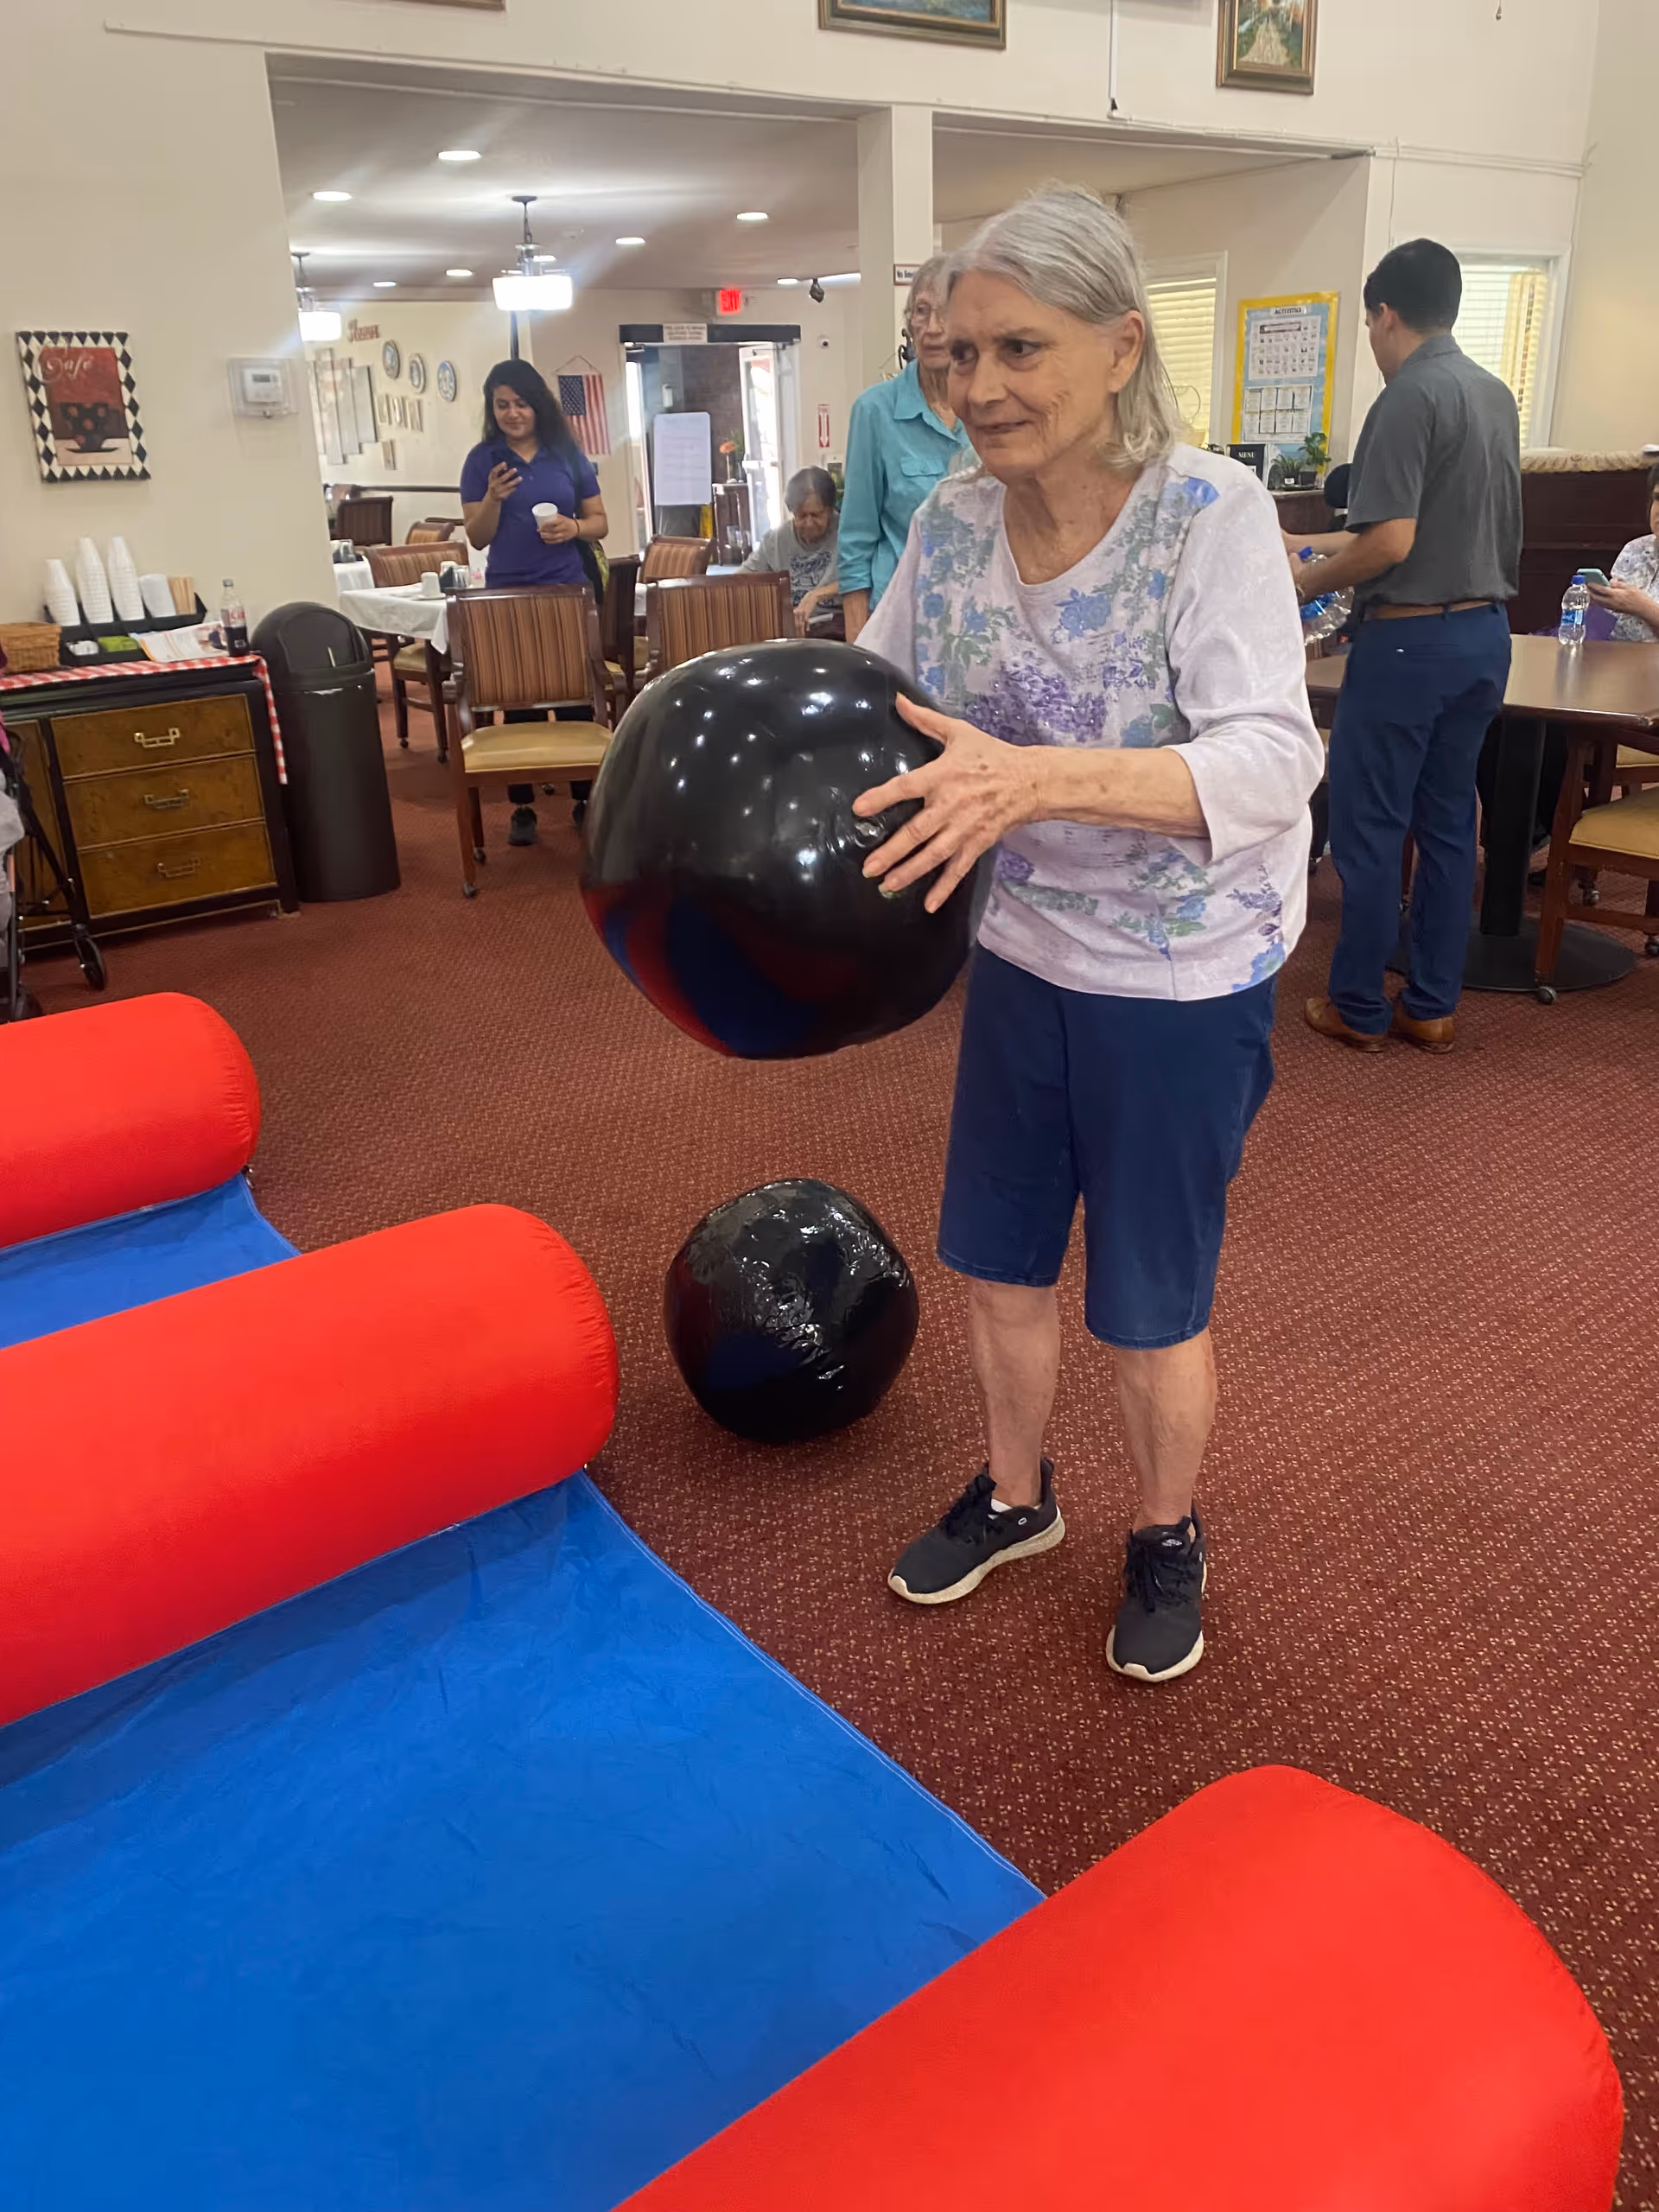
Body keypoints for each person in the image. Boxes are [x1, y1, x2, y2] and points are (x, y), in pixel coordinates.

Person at [854, 186, 1323, 1684]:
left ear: (1122, 348)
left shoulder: (1212, 515)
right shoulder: (952, 517)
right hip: (1027, 948)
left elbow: (1269, 761)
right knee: (999, 1261)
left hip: (1184, 970)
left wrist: (1031, 779)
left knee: (1146, 1300)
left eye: (1019, 349)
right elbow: (882, 700)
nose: (980, 387)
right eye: (955, 356)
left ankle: (1166, 1530)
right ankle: (1014, 1495)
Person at [1289, 239, 1521, 1056]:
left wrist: (1303, 581)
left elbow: (1387, 543)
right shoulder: (1493, 396)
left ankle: (1356, 1005)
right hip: (1483, 637)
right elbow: (1420, 529)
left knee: (1372, 827)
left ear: (1385, 314)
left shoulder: (1404, 397)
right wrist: (1305, 539)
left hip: (1406, 646)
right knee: (1452, 822)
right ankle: (1431, 1004)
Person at [460, 360, 608, 845]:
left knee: (572, 694)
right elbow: (477, 537)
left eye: (520, 403)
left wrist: (574, 528)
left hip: (566, 588)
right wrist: (493, 499)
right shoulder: (482, 459)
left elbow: (599, 521)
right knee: (518, 697)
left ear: (537, 404)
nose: (512, 412)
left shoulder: (567, 454)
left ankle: (586, 799)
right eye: (501, 404)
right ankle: (523, 807)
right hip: (508, 591)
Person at [839, 258, 973, 644]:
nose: (932, 329)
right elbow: (856, 536)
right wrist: (858, 642)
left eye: (945, 314)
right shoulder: (875, 411)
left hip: (977, 619)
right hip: (899, 619)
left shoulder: (989, 406)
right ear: (909, 323)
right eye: (921, 311)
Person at [739, 467, 841, 634]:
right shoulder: (777, 540)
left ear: (830, 510)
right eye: (801, 516)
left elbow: (867, 578)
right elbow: (741, 579)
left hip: (837, 632)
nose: (809, 523)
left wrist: (817, 595)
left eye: (816, 515)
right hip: (791, 634)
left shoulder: (848, 534)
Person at [1588, 464, 1659, 641]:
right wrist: (1600, 599)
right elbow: (1611, 622)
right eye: (1658, 498)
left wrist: (1643, 607)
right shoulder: (1634, 549)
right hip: (1614, 658)